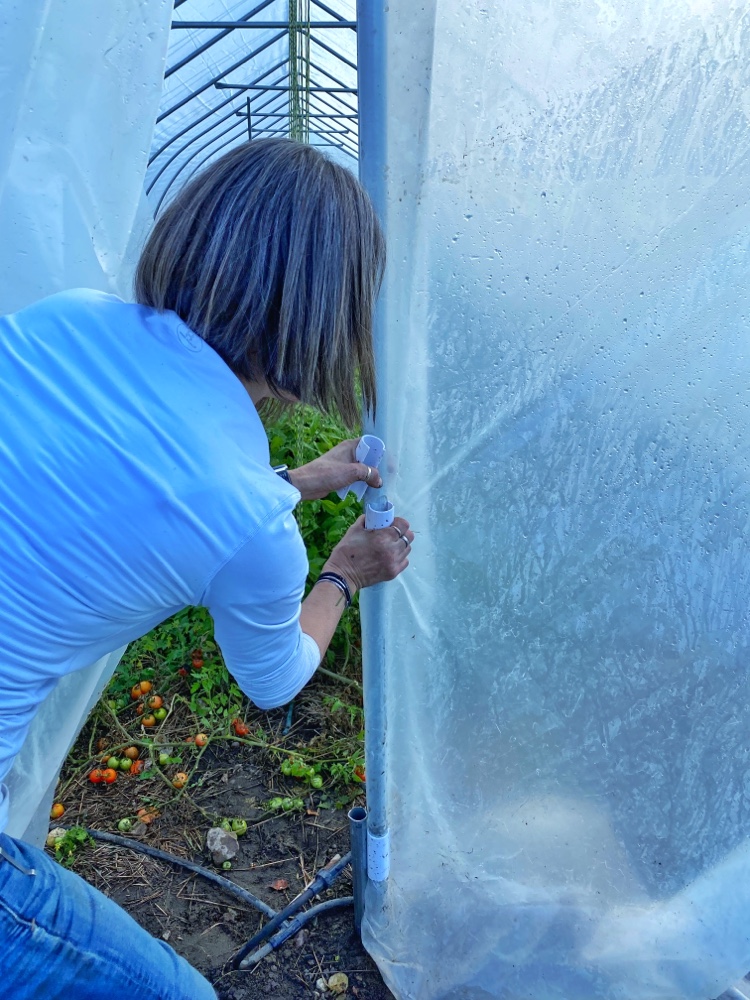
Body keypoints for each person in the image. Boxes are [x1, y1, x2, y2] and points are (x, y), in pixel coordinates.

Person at [0, 138, 413, 1000]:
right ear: (329, 316)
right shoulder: (248, 526)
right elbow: (274, 678)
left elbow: (118, 483)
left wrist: (291, 486)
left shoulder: (61, 318)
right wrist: (340, 575)